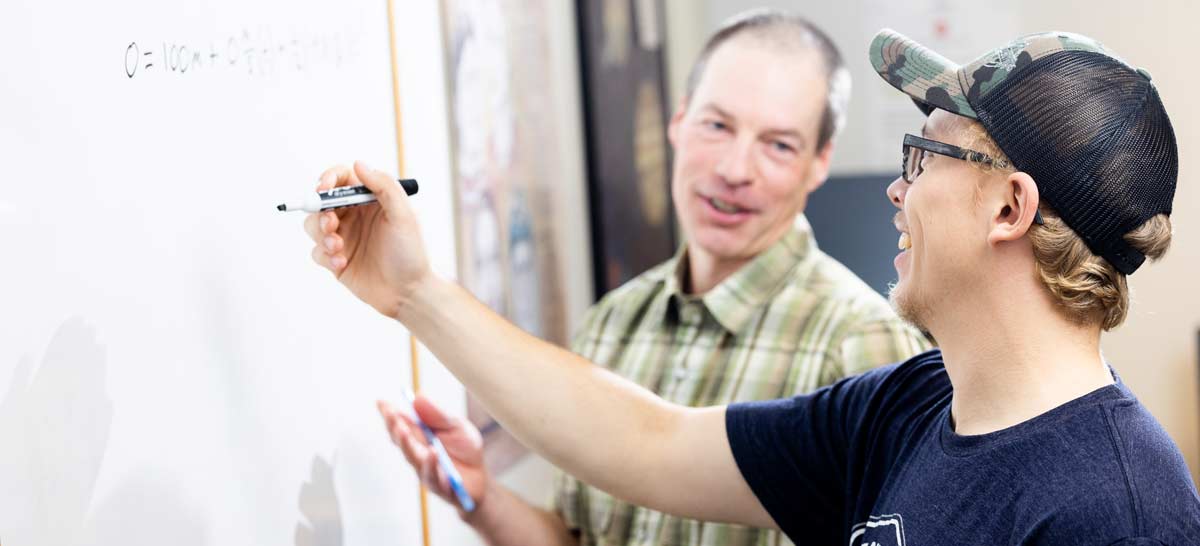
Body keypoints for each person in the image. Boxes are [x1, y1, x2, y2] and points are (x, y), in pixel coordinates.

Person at [305, 28, 1200, 545]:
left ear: (1010, 207)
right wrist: (415, 291)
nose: (898, 188)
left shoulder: (1117, 510)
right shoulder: (911, 408)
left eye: (924, 155)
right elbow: (647, 443)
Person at [370, 10, 929, 546]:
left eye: (778, 145)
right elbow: (578, 538)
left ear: (819, 162)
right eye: (716, 125)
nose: (735, 171)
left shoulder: (864, 343)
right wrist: (484, 497)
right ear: (677, 121)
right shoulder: (614, 321)